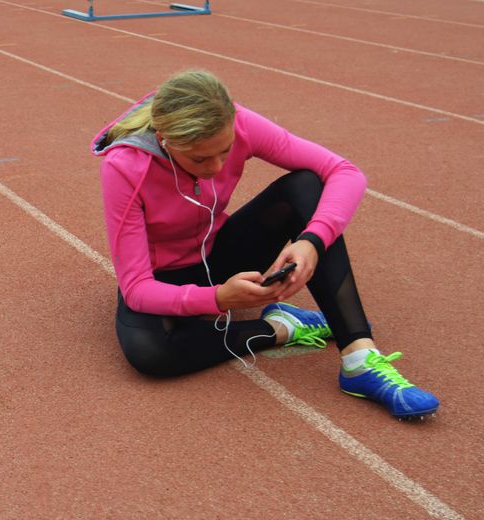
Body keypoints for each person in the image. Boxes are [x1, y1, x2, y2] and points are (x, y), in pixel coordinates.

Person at [92, 69, 438, 419]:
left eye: (225, 152)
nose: (215, 166)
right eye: (199, 159)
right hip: (165, 275)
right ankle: (284, 327)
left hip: (218, 253)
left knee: (305, 186)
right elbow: (137, 287)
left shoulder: (240, 122)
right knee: (150, 354)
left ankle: (359, 359)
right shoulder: (125, 167)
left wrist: (312, 241)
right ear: (165, 138)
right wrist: (217, 299)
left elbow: (345, 172)